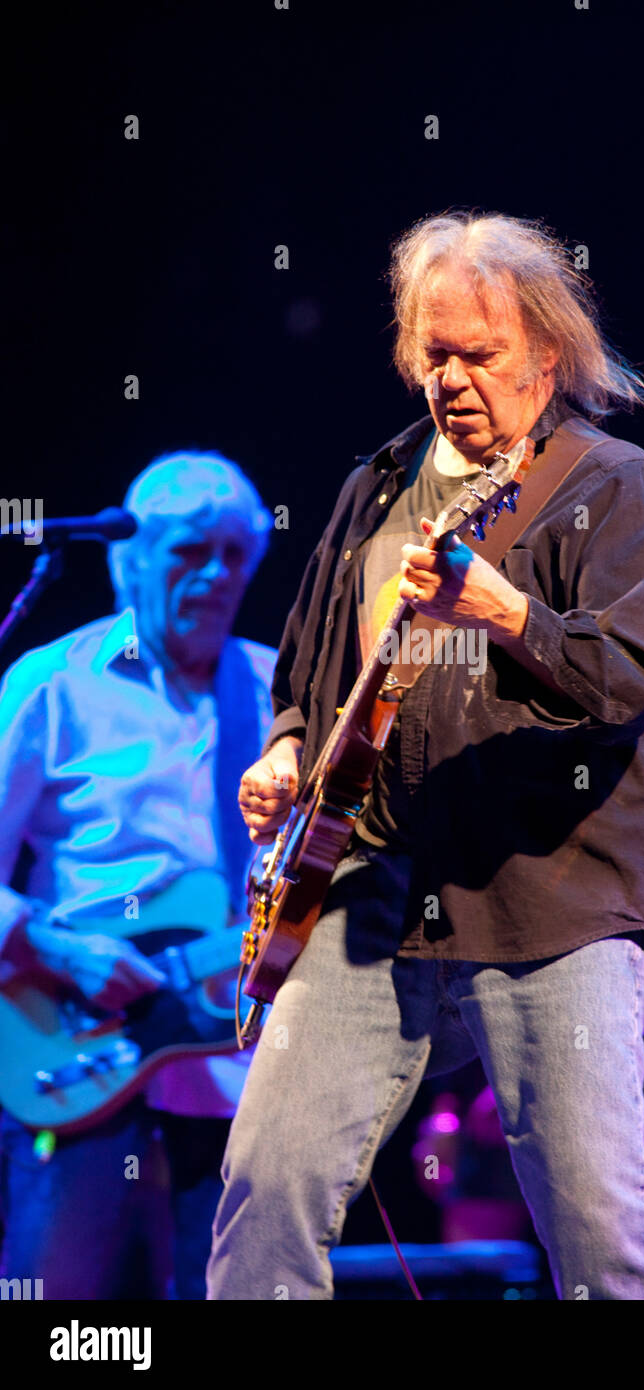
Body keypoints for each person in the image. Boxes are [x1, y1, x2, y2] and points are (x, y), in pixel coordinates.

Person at [207, 212, 644, 1301]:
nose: (451, 378)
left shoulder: (610, 486)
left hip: (551, 901)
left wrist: (507, 610)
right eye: (434, 353)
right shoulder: (373, 487)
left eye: (481, 354)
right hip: (370, 889)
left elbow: (632, 678)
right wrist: (286, 754)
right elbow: (305, 677)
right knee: (265, 1183)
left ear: (547, 356)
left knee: (598, 1230)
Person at [0, 451, 277, 1299]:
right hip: (76, 1057)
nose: (219, 574)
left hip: (239, 1078)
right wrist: (56, 948)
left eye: (237, 555)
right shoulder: (52, 685)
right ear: (129, 559)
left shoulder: (275, 692)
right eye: (192, 551)